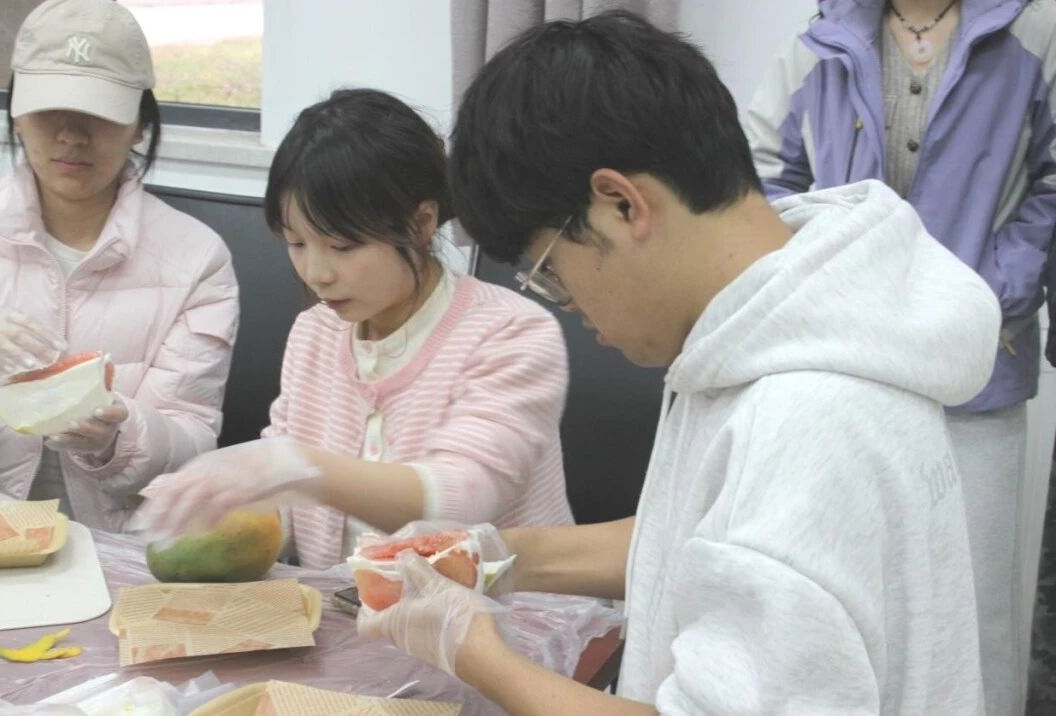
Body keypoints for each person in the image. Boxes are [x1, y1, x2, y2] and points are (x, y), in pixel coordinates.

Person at [346, 11, 1004, 714]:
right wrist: (495, 554)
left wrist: (475, 653)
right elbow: (710, 541)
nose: (567, 305)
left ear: (622, 204)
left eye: (549, 271)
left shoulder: (802, 422)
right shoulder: (788, 318)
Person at [744, 1, 1056, 712]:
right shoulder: (822, 42)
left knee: (973, 615)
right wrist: (828, 283)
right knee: (847, 595)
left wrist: (989, 290)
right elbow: (764, 183)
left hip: (975, 371)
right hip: (846, 370)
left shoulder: (1035, 34)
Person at [134, 89, 574, 568]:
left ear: (421, 223)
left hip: (506, 608)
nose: (316, 273)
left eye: (342, 246)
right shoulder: (314, 332)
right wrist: (215, 496)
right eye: (296, 243)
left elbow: (465, 499)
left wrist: (295, 467)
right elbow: (285, 506)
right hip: (351, 606)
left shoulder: (511, 332)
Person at [0, 0, 239, 532]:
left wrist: (119, 435)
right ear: (17, 113)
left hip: (117, 545)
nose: (73, 135)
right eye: (50, 110)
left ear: (140, 124)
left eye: (98, 114)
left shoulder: (197, 259)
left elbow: (191, 441)